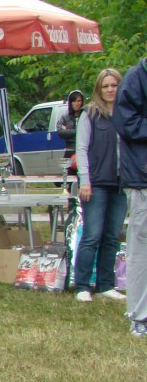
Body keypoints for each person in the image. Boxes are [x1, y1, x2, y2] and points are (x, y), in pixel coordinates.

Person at [73, 68, 126, 304]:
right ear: (98, 89)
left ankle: (106, 284)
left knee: (112, 236)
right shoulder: (89, 114)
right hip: (95, 184)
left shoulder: (127, 113)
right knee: (92, 235)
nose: (109, 90)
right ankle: (82, 285)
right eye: (105, 86)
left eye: (113, 85)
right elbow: (81, 149)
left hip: (122, 183)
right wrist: (85, 180)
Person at [113, 58, 147, 337]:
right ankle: (139, 316)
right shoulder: (136, 78)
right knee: (141, 249)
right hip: (142, 178)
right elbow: (126, 123)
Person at [56, 89, 86, 161]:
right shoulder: (65, 117)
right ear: (70, 103)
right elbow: (60, 132)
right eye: (74, 101)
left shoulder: (86, 116)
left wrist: (68, 131)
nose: (76, 103)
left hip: (83, 151)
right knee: (68, 171)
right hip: (70, 150)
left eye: (79, 101)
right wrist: (77, 131)